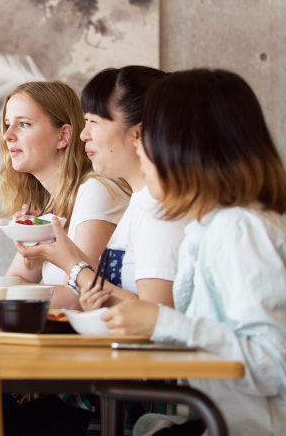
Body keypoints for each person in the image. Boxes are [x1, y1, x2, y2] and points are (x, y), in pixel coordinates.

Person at [101, 69, 286, 436]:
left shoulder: (240, 231)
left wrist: (160, 322)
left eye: (149, 134)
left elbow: (269, 365)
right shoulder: (210, 229)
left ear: (187, 147)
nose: (139, 146)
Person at [0, 81, 129, 309]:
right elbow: (19, 281)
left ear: (63, 136)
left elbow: (78, 297)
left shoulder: (95, 191)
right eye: (8, 124)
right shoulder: (54, 205)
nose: (7, 136)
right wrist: (31, 243)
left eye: (24, 124)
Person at [21, 66, 184, 309]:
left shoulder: (160, 212)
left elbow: (159, 319)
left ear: (137, 133)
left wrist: (74, 266)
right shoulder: (140, 204)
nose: (84, 135)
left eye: (94, 121)